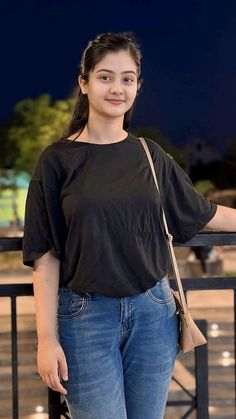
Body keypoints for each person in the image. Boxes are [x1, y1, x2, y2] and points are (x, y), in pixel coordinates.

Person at [22, 32, 236, 419]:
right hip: (84, 318)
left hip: (153, 312)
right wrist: (46, 339)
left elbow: (205, 213)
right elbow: (45, 255)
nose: (117, 88)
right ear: (84, 84)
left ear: (138, 86)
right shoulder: (56, 161)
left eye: (127, 78)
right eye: (105, 77)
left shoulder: (150, 155)